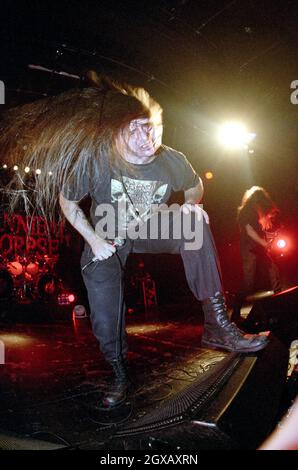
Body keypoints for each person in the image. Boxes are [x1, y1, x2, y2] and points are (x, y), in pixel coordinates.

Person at [0, 75, 269, 409]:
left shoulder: (171, 158)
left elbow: (195, 184)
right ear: (118, 132)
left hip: (150, 227)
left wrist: (191, 204)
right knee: (102, 291)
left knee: (194, 225)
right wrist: (94, 240)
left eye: (152, 126)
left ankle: (217, 325)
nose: (148, 136)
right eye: (137, 128)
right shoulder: (97, 159)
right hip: (108, 233)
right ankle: (117, 370)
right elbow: (67, 203)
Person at [231, 186, 281, 325]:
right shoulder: (247, 211)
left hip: (257, 248)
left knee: (274, 273)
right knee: (248, 283)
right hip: (249, 249)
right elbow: (249, 230)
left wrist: (267, 218)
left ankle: (280, 304)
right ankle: (235, 313)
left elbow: (258, 226)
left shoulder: (254, 211)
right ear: (258, 200)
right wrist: (265, 244)